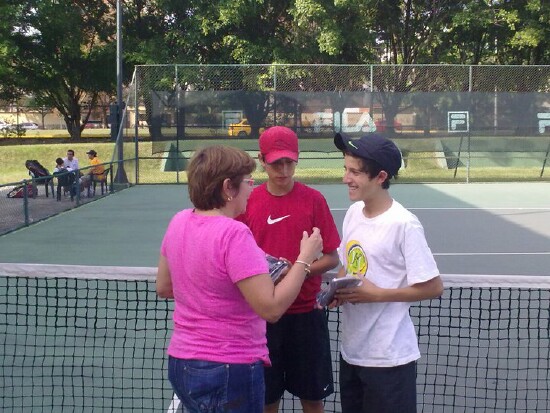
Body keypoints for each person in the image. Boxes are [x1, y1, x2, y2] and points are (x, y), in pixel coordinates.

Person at [156, 145, 324, 413]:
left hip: (182, 362)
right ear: (227, 187)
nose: (252, 187)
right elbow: (271, 308)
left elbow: (164, 287)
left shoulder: (178, 221)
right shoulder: (235, 234)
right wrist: (305, 258)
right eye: (247, 181)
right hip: (230, 368)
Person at [331, 132, 444, 413]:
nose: (346, 178)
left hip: (389, 360)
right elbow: (349, 263)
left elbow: (433, 287)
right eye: (346, 169)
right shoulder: (354, 213)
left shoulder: (404, 224)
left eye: (355, 172)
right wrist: (338, 290)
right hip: (352, 353)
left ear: (380, 177)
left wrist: (378, 294)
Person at [238, 126, 341, 413]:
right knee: (266, 399)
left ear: (297, 159)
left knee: (312, 399)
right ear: (262, 160)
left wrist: (298, 270)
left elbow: (332, 258)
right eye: (275, 163)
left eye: (289, 162)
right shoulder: (249, 201)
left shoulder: (314, 200)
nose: (283, 170)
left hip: (306, 316)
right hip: (262, 317)